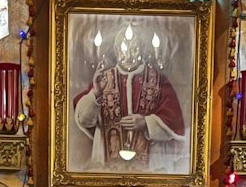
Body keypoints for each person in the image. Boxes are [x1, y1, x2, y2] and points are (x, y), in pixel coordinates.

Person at [73, 22, 186, 172]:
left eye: (134, 49)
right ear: (116, 51)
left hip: (150, 165)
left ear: (143, 51)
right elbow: (84, 120)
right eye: (123, 49)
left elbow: (174, 121)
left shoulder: (159, 81)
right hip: (107, 166)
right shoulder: (103, 80)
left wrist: (147, 123)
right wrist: (96, 94)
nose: (128, 55)